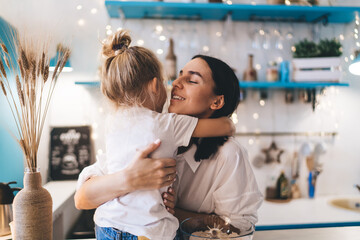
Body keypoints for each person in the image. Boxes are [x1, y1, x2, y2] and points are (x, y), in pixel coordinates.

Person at [75, 54, 262, 238]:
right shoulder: (149, 129)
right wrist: (129, 178)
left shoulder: (229, 154)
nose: (176, 83)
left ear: (217, 101)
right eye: (179, 75)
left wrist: (176, 213)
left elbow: (239, 228)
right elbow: (82, 198)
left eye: (192, 80)